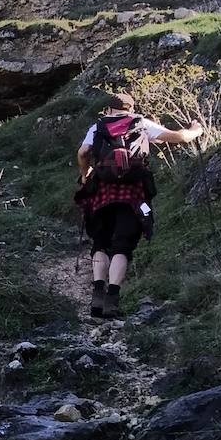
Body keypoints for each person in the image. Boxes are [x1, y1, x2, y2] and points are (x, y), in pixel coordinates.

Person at [75, 92, 202, 318]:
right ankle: (112, 300)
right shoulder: (140, 123)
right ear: (130, 109)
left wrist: (85, 175)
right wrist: (196, 129)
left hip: (102, 192)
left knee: (100, 244)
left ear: (109, 109)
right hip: (132, 194)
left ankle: (97, 295)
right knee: (122, 247)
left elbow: (83, 152)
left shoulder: (98, 126)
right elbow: (180, 137)